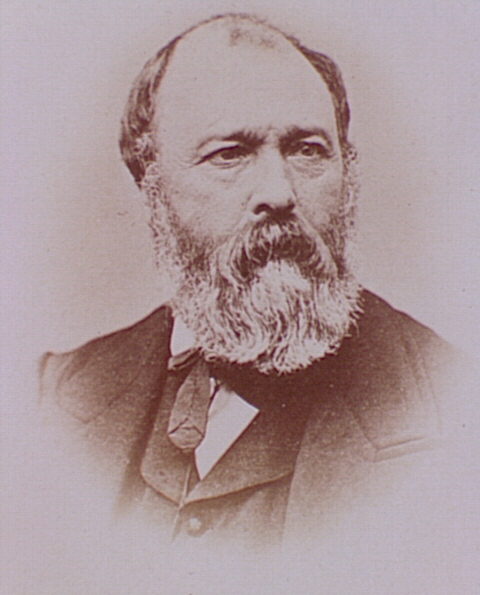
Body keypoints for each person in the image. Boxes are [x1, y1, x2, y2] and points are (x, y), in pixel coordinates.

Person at [39, 13, 464, 551]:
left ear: (348, 172)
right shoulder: (51, 398)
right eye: (229, 154)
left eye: (308, 149)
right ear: (152, 187)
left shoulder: (453, 410)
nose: (279, 193)